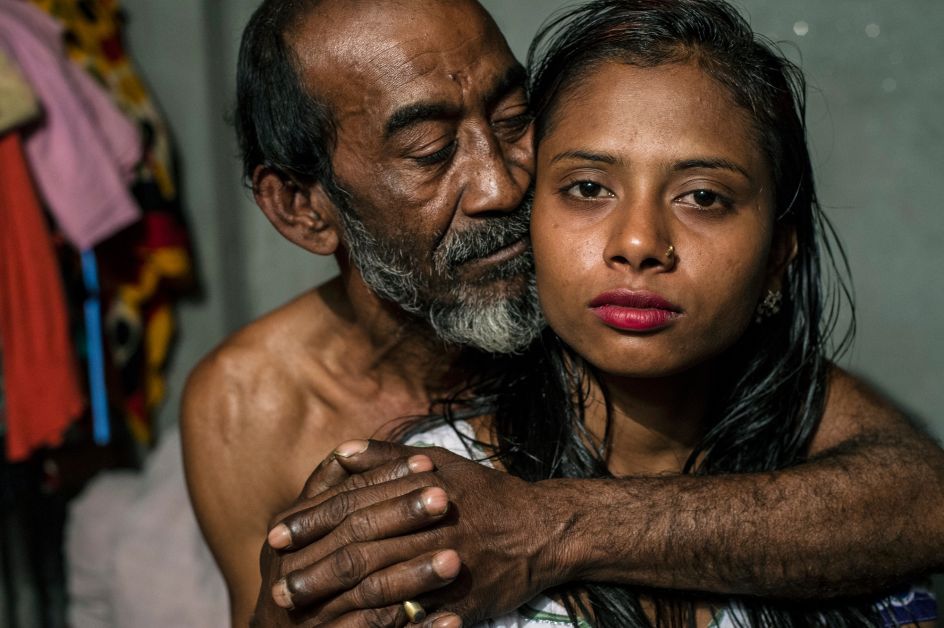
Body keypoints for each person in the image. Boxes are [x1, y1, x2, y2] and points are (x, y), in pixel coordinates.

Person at [180, 0, 944, 626]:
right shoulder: (255, 408)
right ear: (301, 208)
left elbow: (913, 495)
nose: (502, 187)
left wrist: (548, 527)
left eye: (514, 119)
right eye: (429, 150)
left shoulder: (610, 301)